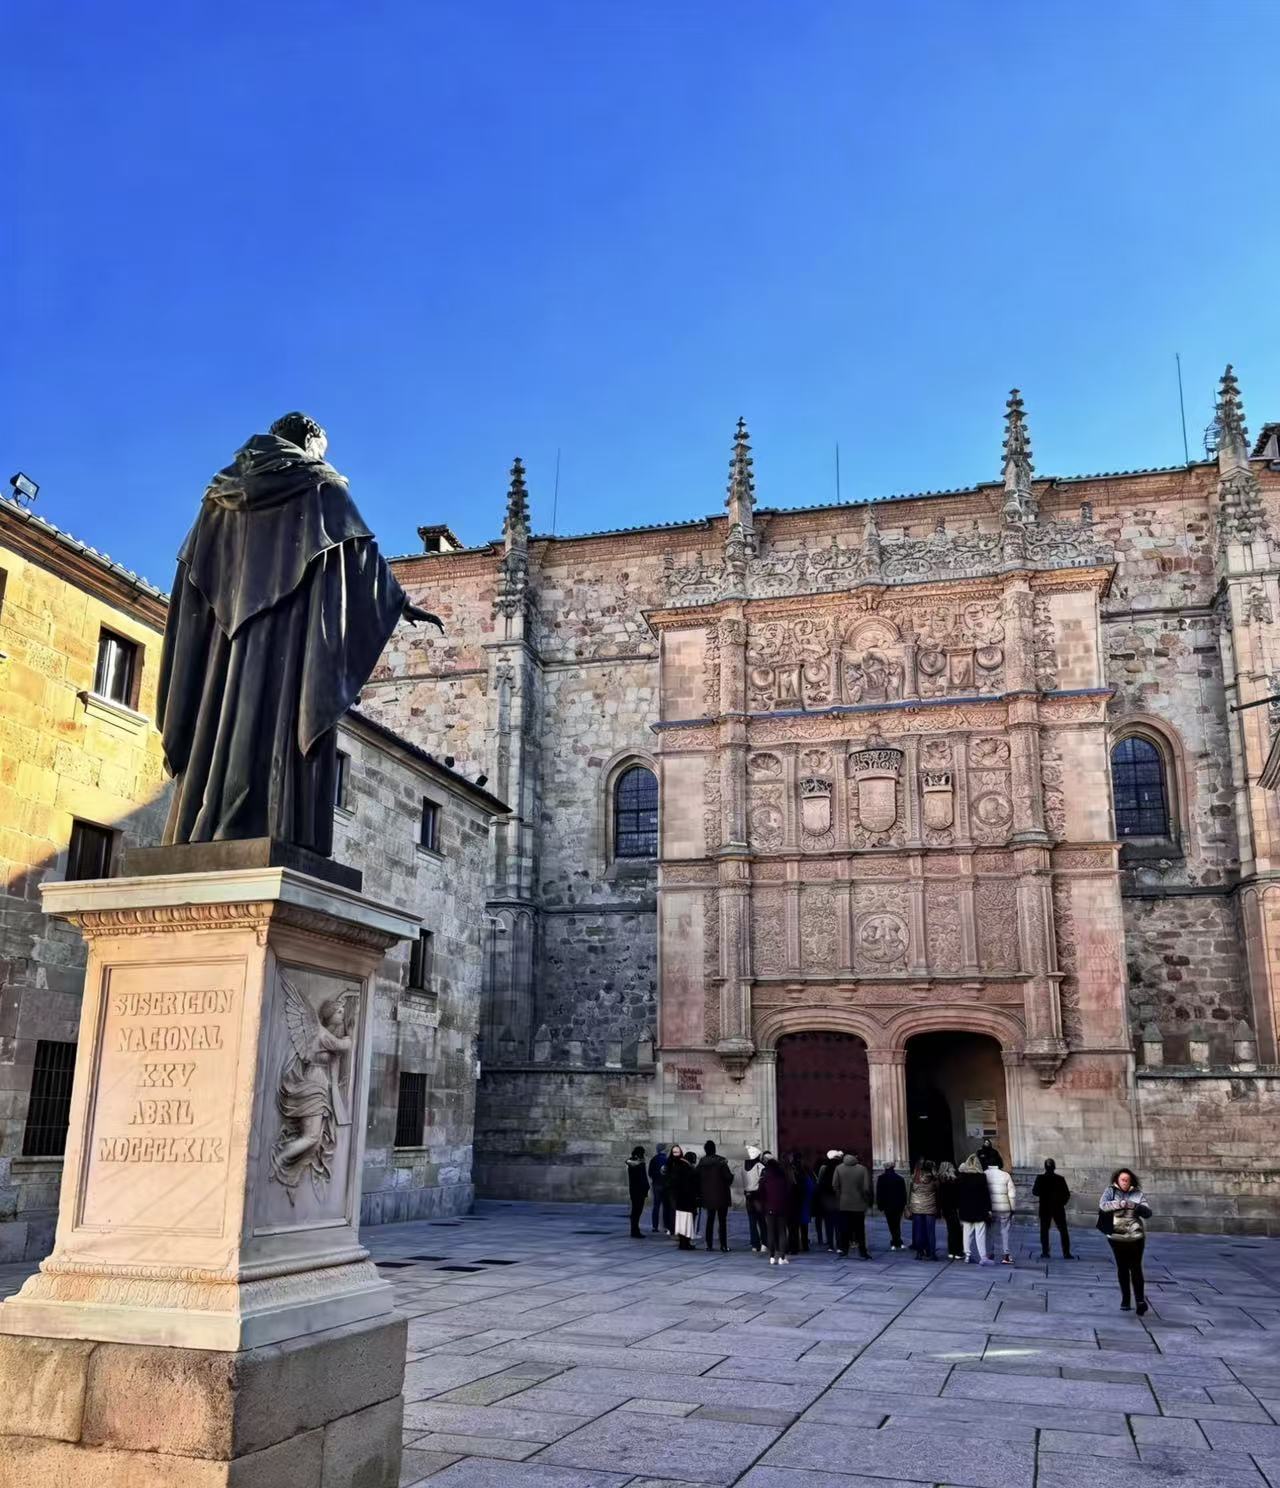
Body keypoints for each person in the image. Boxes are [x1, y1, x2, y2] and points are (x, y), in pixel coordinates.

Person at [1098, 1168, 1152, 1315]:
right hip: (1116, 1237)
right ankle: (1126, 1299)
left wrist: (1135, 1206)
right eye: (1122, 1179)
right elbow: (1102, 1205)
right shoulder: (1110, 1191)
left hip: (1135, 1236)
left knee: (1136, 1268)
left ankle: (1140, 1301)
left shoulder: (1137, 1193)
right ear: (1117, 1180)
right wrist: (1119, 1204)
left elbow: (1148, 1213)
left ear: (1131, 1181)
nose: (1125, 1182)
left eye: (1127, 1180)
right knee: (1122, 1267)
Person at [833, 1151, 873, 1259]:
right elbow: (866, 1188)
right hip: (859, 1204)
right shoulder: (862, 1169)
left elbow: (835, 1185)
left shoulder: (838, 1168)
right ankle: (862, 1252)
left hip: (844, 1204)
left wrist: (840, 1198)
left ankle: (844, 1250)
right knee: (860, 1229)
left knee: (844, 1228)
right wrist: (866, 1201)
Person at [697, 1140, 734, 1252]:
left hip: (708, 1196)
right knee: (722, 1221)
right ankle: (723, 1245)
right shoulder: (721, 1161)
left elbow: (697, 1177)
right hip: (721, 1195)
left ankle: (709, 1245)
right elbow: (728, 1177)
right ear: (714, 1149)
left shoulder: (702, 1162)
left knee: (710, 1220)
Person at [1033, 1158, 1073, 1260]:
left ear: (1045, 1167)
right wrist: (1061, 1203)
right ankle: (1066, 1253)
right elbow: (1067, 1194)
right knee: (1063, 1230)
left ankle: (1045, 1252)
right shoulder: (1060, 1179)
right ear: (1054, 1167)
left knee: (1044, 1231)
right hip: (1058, 1208)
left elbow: (1035, 1192)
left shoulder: (1040, 1178)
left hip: (1045, 1208)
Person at [957, 1155, 993, 1264]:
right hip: (979, 1209)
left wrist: (959, 1208)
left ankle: (967, 1255)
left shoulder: (962, 1177)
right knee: (980, 1233)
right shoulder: (981, 1177)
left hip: (966, 1209)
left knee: (967, 1233)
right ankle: (983, 1256)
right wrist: (989, 1209)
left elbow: (959, 1195)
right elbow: (986, 1195)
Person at [759, 1156, 792, 1265]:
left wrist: (763, 1206)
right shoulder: (783, 1177)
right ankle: (782, 1257)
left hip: (769, 1208)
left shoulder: (765, 1178)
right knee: (782, 1232)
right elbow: (788, 1193)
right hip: (782, 1208)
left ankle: (772, 1257)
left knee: (771, 1232)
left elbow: (761, 1194)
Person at [985, 1156, 1017, 1264]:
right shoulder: (1005, 1175)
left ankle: (990, 1254)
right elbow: (1012, 1194)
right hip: (1004, 1208)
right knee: (1005, 1231)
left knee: (990, 1231)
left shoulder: (984, 1174)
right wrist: (1012, 1208)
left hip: (990, 1208)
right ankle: (1006, 1255)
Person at [667, 1143, 699, 1250]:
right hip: (687, 1199)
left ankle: (682, 1242)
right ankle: (685, 1243)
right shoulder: (688, 1168)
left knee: (681, 1221)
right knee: (687, 1222)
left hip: (680, 1199)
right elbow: (691, 1184)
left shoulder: (679, 1166)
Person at [907, 1159, 939, 1260]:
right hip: (930, 1208)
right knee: (931, 1232)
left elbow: (910, 1191)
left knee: (919, 1231)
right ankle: (932, 1253)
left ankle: (919, 1253)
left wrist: (909, 1205)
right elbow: (938, 1187)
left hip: (917, 1207)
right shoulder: (933, 1179)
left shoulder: (914, 1178)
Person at [786, 1154, 815, 1253]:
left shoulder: (791, 1174)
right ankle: (804, 1244)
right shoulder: (805, 1174)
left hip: (794, 1203)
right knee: (803, 1225)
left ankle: (795, 1245)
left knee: (793, 1227)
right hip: (804, 1202)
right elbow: (811, 1187)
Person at [875, 1162, 907, 1251]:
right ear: (893, 1167)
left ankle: (895, 1242)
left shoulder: (881, 1178)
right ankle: (898, 1241)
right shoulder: (900, 1178)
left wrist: (880, 1205)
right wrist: (904, 1204)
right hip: (898, 1205)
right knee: (897, 1223)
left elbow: (879, 1193)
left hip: (887, 1205)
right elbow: (903, 1193)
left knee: (891, 1224)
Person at [814, 1150, 842, 1252]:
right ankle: (839, 1245)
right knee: (838, 1222)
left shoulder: (824, 1167)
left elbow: (819, 1182)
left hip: (827, 1197)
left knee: (828, 1222)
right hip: (838, 1197)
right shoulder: (841, 1167)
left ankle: (830, 1245)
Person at [743, 1145, 767, 1253]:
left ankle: (754, 1244)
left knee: (752, 1222)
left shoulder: (743, 1166)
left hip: (748, 1196)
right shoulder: (759, 1166)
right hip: (758, 1196)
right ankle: (764, 1243)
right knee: (762, 1221)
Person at [937, 1160, 963, 1260]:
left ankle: (951, 1251)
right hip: (953, 1208)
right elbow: (957, 1196)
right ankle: (958, 1251)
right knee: (956, 1230)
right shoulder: (953, 1181)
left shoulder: (940, 1180)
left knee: (951, 1229)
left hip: (945, 1208)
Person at [648, 1144, 672, 1234]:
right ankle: (666, 1227)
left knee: (656, 1206)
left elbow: (650, 1173)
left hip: (656, 1184)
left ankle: (655, 1226)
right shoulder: (668, 1160)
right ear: (664, 1150)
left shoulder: (654, 1159)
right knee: (666, 1206)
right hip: (666, 1185)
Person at [626, 1146, 649, 1238]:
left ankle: (635, 1230)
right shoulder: (638, 1163)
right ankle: (635, 1230)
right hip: (638, 1190)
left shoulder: (636, 1163)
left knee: (636, 1211)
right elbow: (642, 1178)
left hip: (636, 1190)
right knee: (637, 1211)